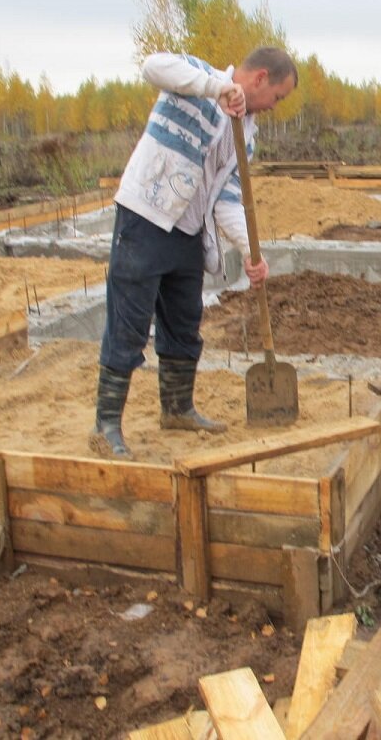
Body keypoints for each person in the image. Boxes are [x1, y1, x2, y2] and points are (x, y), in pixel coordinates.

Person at [90, 47, 298, 460]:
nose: (275, 107)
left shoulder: (247, 134)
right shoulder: (197, 80)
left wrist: (249, 252)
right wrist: (217, 88)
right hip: (147, 217)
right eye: (277, 96)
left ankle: (178, 408)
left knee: (184, 323)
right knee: (130, 324)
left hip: (189, 230)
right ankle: (106, 425)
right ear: (259, 79)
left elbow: (228, 199)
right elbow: (152, 66)